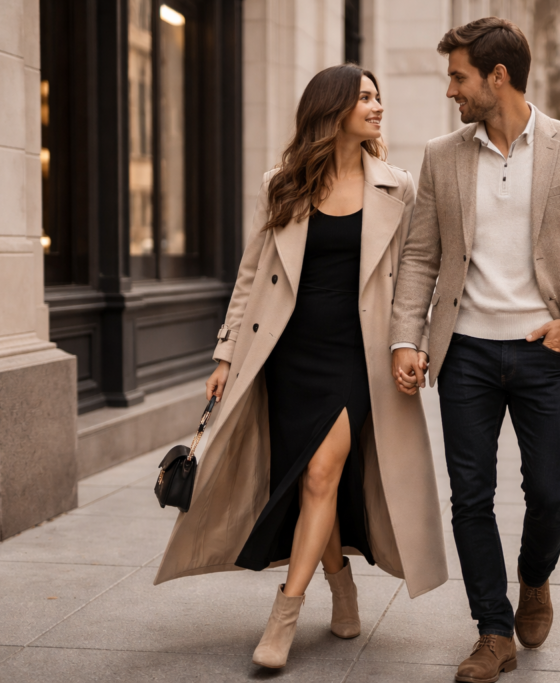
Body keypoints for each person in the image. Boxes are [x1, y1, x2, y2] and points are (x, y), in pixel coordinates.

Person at [153, 64, 447, 670]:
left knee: (320, 475)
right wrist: (226, 353)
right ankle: (340, 583)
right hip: (286, 356)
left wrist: (411, 342)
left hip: (356, 356)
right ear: (332, 109)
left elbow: (414, 276)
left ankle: (283, 616)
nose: (377, 106)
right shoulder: (282, 185)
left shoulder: (397, 187)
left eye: (378, 96)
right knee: (316, 482)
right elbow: (250, 276)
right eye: (364, 97)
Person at [389, 18, 560, 683]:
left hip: (544, 350)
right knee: (470, 497)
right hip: (465, 351)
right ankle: (493, 632)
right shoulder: (442, 154)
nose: (451, 90)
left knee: (551, 494)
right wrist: (407, 337)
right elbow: (421, 255)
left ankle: (534, 576)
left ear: (497, 77)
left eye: (459, 77)